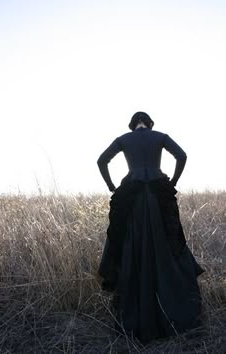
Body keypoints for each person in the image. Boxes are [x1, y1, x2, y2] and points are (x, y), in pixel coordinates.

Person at [97, 112, 204, 344]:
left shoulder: (123, 139)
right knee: (169, 243)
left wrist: (111, 186)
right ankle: (175, 306)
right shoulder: (160, 136)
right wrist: (173, 181)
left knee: (128, 244)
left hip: (132, 198)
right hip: (158, 196)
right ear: (149, 123)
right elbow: (182, 156)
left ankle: (136, 308)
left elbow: (101, 161)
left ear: (133, 124)